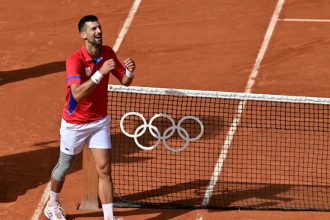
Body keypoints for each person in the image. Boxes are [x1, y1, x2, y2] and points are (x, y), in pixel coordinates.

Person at [44, 15, 135, 220]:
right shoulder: (74, 60)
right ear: (83, 35)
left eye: (99, 27)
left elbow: (125, 81)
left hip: (99, 122)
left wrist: (129, 71)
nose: (98, 31)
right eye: (93, 29)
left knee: (104, 168)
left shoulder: (107, 52)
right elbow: (76, 93)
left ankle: (109, 217)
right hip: (74, 123)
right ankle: (52, 203)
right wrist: (100, 73)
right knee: (64, 166)